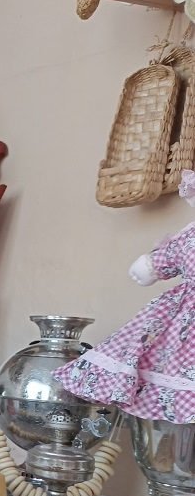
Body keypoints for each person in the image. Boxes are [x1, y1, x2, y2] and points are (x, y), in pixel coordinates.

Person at [53, 169, 195, 423]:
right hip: (180, 325)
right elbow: (166, 257)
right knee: (158, 358)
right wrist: (150, 265)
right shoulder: (190, 236)